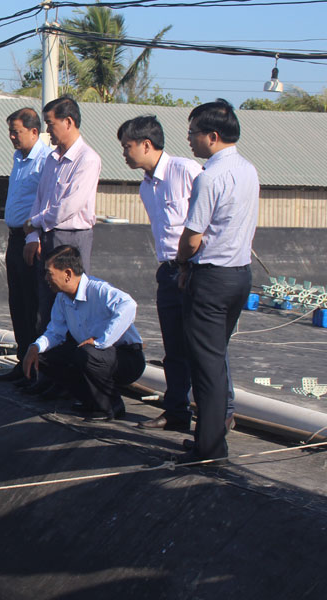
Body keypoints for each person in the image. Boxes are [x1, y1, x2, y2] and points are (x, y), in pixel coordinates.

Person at [174, 99, 258, 464]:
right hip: (239, 276)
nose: (189, 140)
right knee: (216, 359)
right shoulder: (248, 169)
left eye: (193, 133)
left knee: (205, 367)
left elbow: (193, 236)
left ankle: (209, 449)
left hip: (210, 278)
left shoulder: (210, 176)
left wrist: (180, 262)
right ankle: (208, 436)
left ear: (212, 136)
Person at [117, 116, 202, 432]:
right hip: (167, 271)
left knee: (204, 349)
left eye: (127, 147)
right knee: (174, 350)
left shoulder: (186, 170)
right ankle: (177, 412)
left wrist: (188, 265)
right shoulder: (145, 187)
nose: (125, 154)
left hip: (194, 269)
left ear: (146, 145)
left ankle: (219, 413)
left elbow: (206, 221)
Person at [21, 96, 101, 395]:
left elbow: (70, 206)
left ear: (68, 122)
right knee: (47, 308)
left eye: (51, 125)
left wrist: (36, 223)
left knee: (72, 308)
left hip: (72, 238)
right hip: (48, 235)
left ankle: (70, 383)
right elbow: (40, 199)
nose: (49, 132)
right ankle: (47, 377)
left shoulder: (87, 159)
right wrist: (34, 234)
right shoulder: (52, 160)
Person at [22, 245, 145, 422]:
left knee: (87, 354)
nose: (46, 278)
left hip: (126, 358)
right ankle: (91, 401)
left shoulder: (98, 290)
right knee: (44, 357)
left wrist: (102, 340)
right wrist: (35, 347)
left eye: (49, 273)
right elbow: (55, 332)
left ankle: (111, 405)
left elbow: (129, 305)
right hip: (93, 354)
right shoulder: (62, 298)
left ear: (68, 274)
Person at [0, 107, 51, 383]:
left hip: (33, 240)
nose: (12, 138)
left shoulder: (45, 160)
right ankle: (22, 362)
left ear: (33, 131)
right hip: (15, 238)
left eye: (16, 132)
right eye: (10, 132)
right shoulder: (19, 158)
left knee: (34, 304)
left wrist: (34, 237)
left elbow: (46, 202)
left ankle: (37, 367)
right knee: (18, 302)